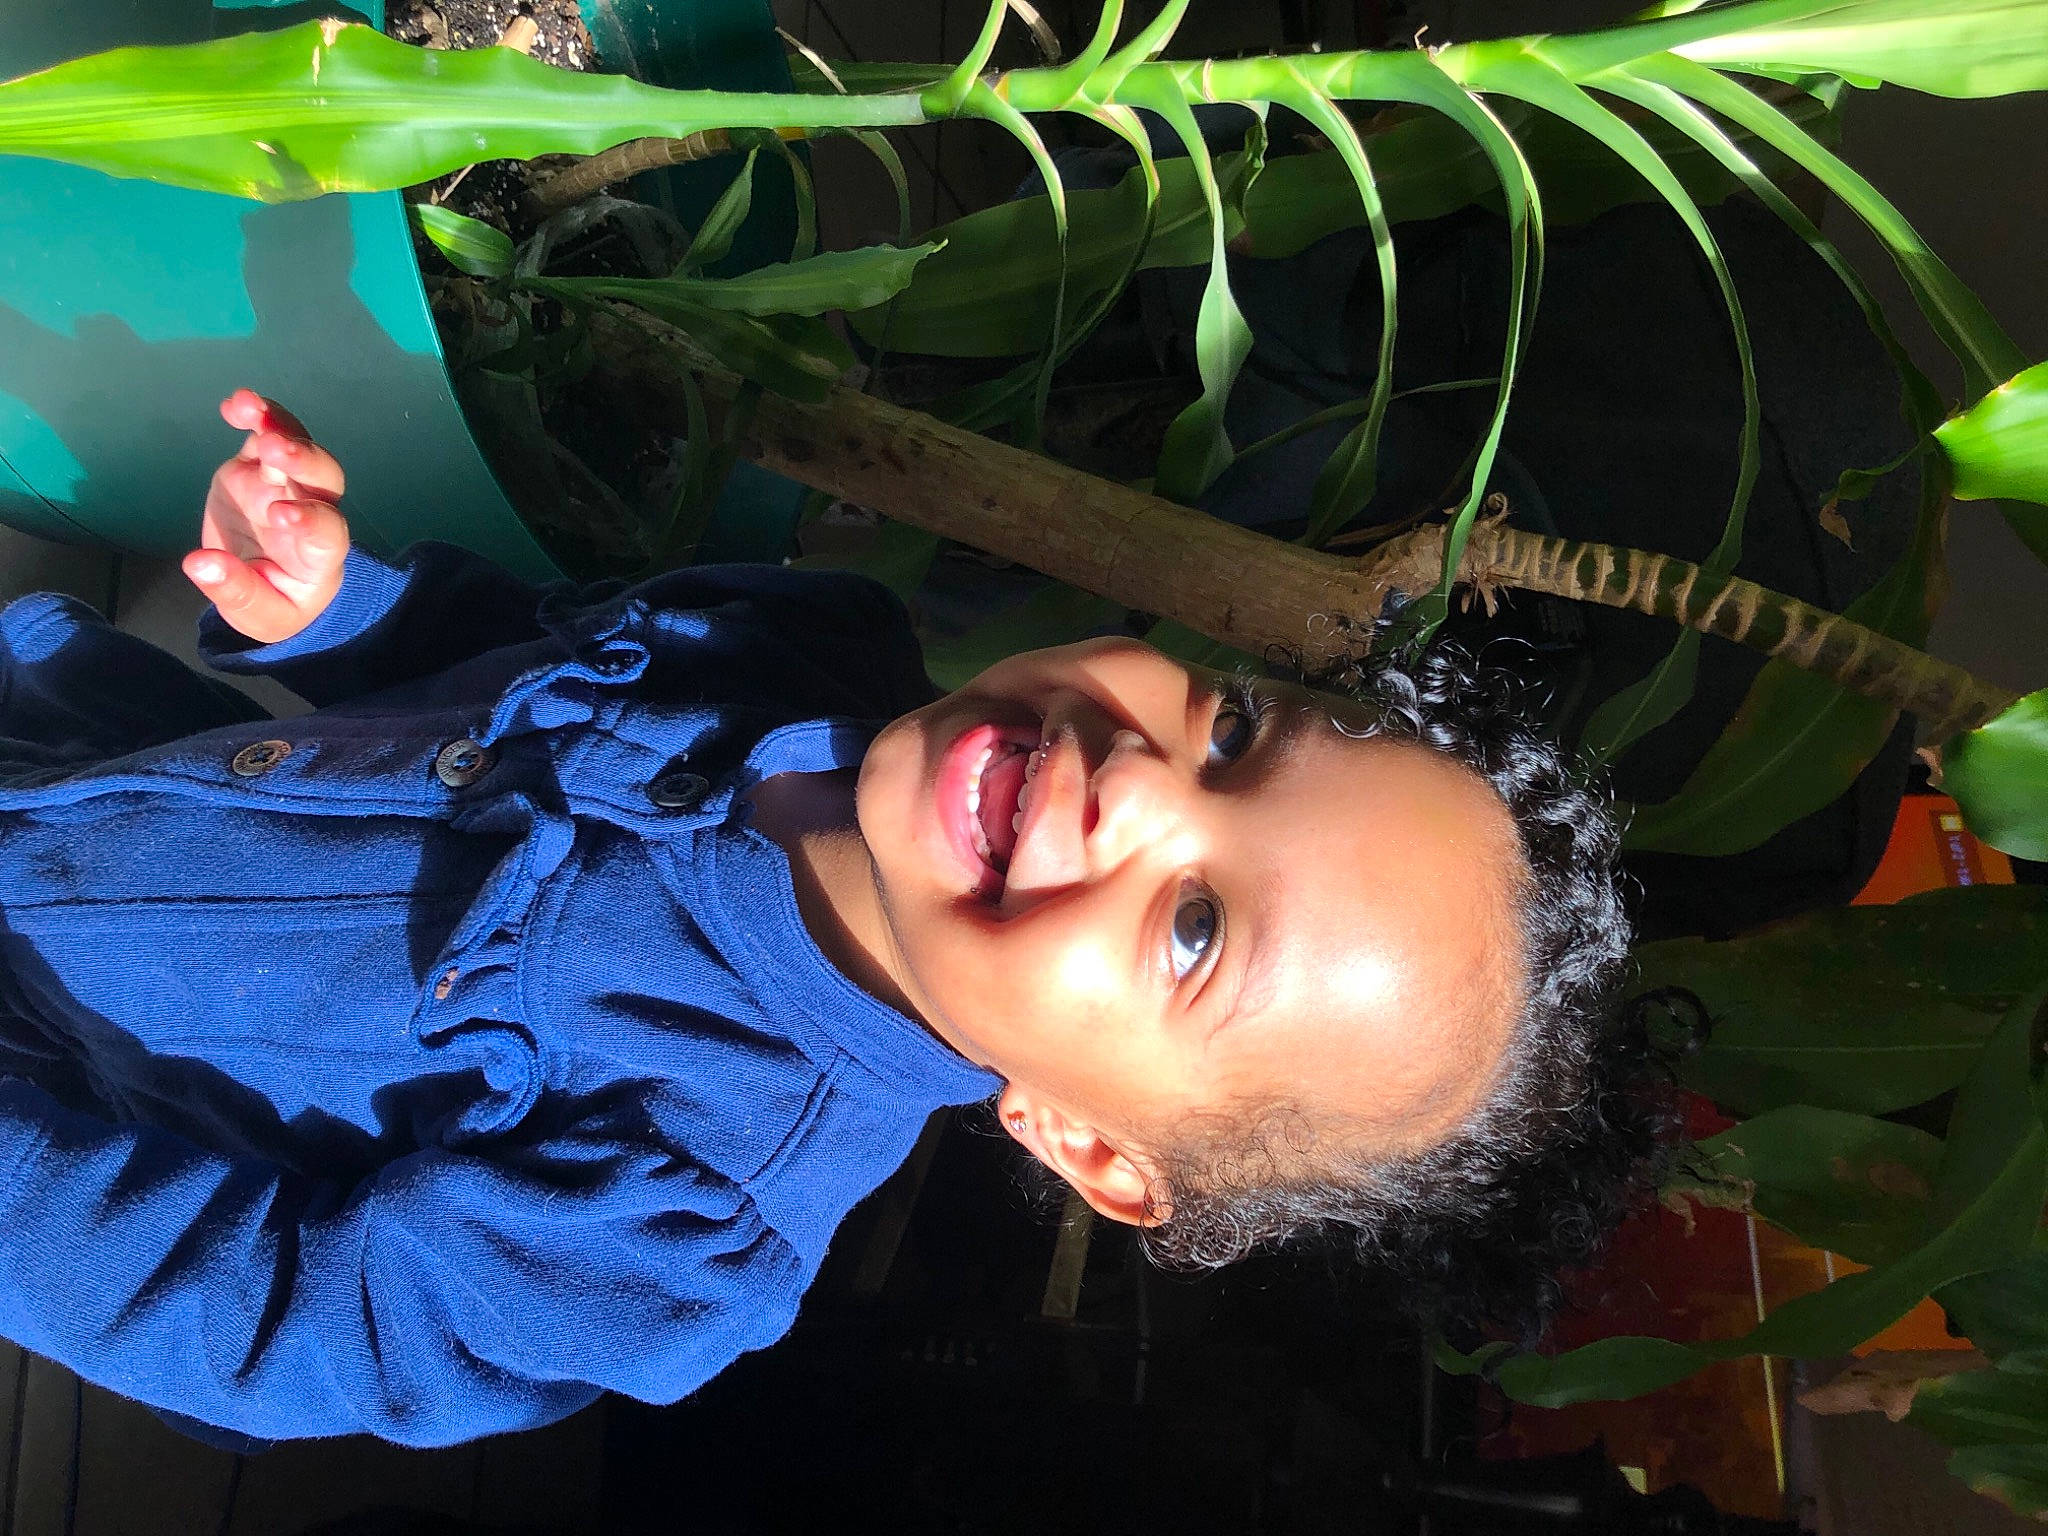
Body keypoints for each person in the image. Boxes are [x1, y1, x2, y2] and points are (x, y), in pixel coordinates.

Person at [0, 391, 1662, 1448]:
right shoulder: (804, 644)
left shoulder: (693, 1216)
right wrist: (347, 611)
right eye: (1235, 734)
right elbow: (520, 655)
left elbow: (281, 1323)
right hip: (74, 758)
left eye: (1197, 933)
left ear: (1088, 1144)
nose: (1142, 785)